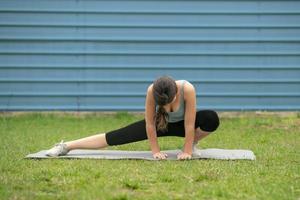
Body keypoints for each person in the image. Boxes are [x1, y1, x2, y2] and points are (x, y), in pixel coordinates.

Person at [46, 75, 220, 160]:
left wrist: (187, 151)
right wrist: (155, 151)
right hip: (161, 124)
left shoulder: (187, 89)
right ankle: (66, 146)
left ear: (176, 91)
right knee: (116, 136)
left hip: (184, 125)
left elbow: (190, 125)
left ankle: (193, 145)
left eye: (170, 103)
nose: (167, 107)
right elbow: (150, 124)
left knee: (211, 118)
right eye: (163, 105)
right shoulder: (152, 91)